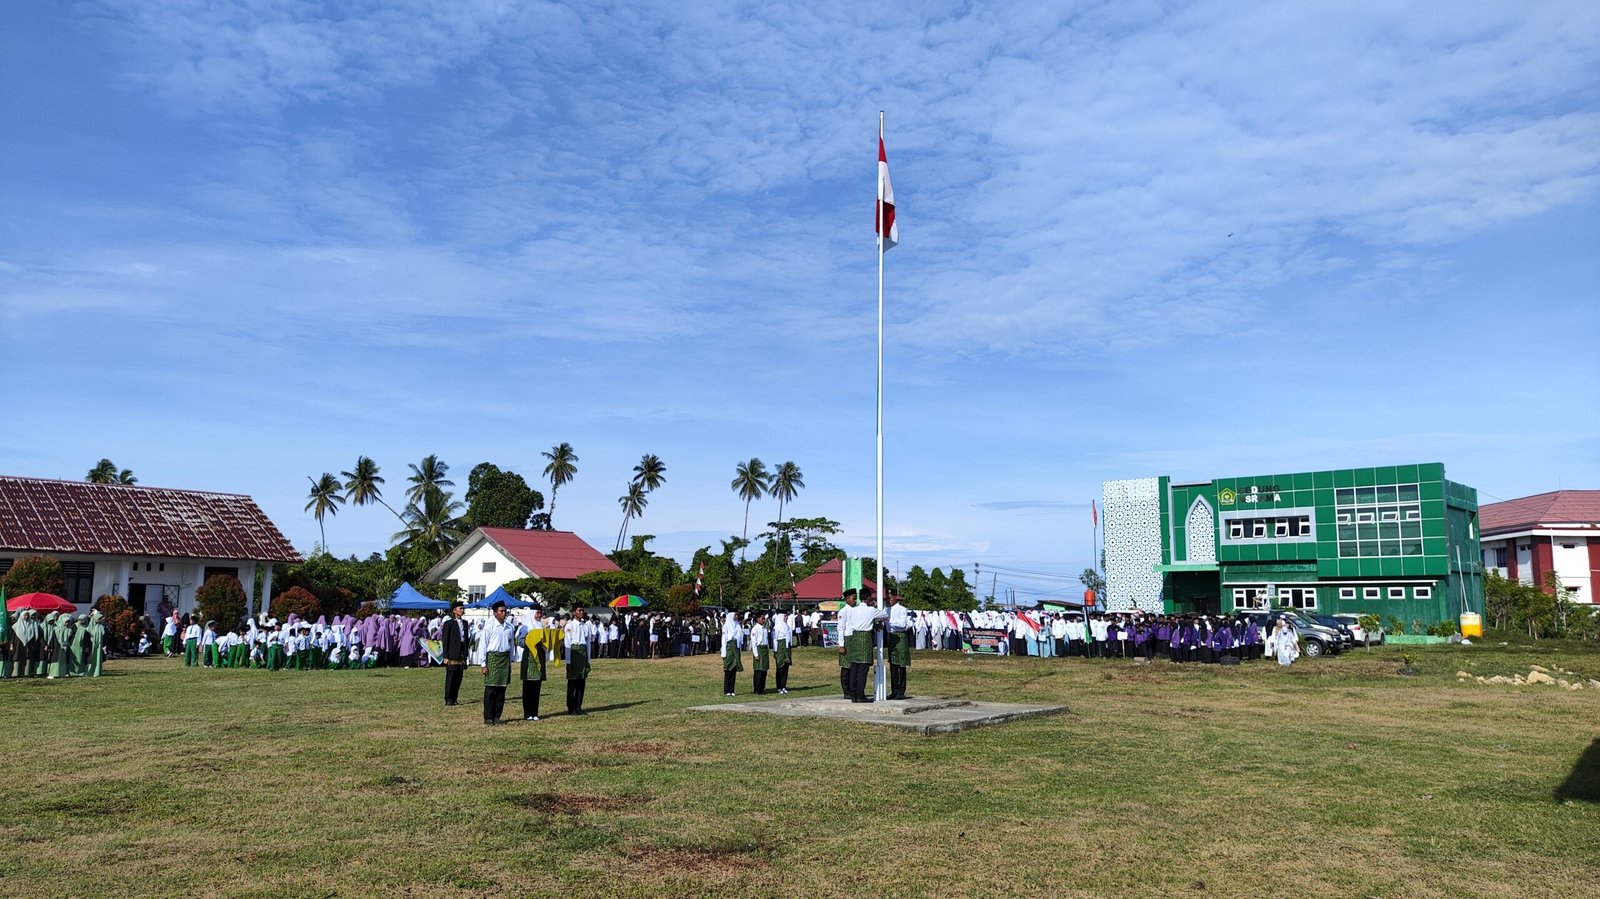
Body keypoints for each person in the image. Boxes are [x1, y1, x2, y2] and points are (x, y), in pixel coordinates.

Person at [838, 588, 886, 703]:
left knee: (854, 668)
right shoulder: (871, 610)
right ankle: (860, 695)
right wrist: (874, 606)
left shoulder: (853, 610)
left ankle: (853, 694)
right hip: (864, 639)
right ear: (869, 598)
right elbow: (884, 615)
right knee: (863, 669)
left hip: (854, 638)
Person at [479, 601, 515, 725]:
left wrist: (510, 661)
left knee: (501, 689)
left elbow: (511, 644)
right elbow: (483, 645)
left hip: (504, 658)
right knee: (490, 689)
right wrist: (483, 664)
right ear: (495, 613)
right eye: (501, 611)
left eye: (505, 611)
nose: (504, 613)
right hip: (493, 658)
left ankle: (497, 716)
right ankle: (488, 716)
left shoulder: (509, 627)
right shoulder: (489, 626)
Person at [440, 601, 469, 706]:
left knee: (458, 676)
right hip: (452, 652)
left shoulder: (465, 623)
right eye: (460, 608)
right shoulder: (449, 623)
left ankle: (455, 697)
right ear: (454, 610)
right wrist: (445, 656)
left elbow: (466, 638)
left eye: (463, 608)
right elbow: (445, 640)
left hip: (461, 652)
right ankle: (448, 698)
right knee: (451, 676)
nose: (462, 610)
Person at [884, 594, 912, 700]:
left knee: (901, 665)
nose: (889, 600)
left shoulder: (902, 609)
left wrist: (889, 621)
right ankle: (894, 691)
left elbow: (902, 624)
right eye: (888, 598)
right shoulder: (886, 610)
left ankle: (901, 691)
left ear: (895, 598)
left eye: (891, 598)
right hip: (891, 636)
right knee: (893, 665)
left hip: (900, 636)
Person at [564, 608, 591, 715]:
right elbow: (567, 643)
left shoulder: (585, 626)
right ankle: (571, 707)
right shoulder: (570, 625)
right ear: (574, 612)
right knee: (572, 682)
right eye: (579, 610)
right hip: (574, 653)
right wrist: (568, 661)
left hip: (583, 654)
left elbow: (588, 643)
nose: (581, 612)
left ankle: (578, 706)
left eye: (582, 610)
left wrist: (588, 659)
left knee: (581, 682)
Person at [720, 611, 744, 696]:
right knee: (728, 670)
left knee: (734, 670)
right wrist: (723, 653)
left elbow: (740, 639)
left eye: (737, 615)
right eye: (735, 615)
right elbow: (724, 640)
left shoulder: (737, 625)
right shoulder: (726, 626)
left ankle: (732, 690)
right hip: (729, 650)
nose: (736, 616)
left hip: (736, 649)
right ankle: (727, 690)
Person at [772, 611, 793, 695]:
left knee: (786, 668)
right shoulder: (777, 627)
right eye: (785, 616)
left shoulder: (787, 626)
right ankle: (779, 686)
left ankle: (784, 686)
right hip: (780, 648)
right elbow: (775, 639)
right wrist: (775, 650)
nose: (786, 618)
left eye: (787, 616)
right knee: (780, 668)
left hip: (787, 648)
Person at [750, 612, 771, 695]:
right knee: (758, 670)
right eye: (762, 618)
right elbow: (754, 643)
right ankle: (757, 689)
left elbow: (766, 640)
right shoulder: (755, 629)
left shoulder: (765, 628)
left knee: (764, 670)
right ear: (758, 619)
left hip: (765, 649)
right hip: (759, 649)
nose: (764, 620)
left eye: (764, 618)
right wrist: (756, 654)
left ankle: (762, 688)